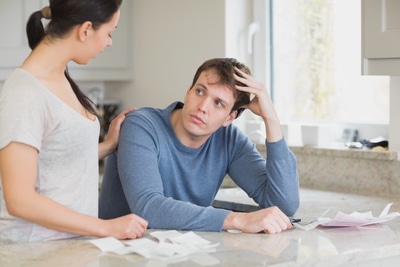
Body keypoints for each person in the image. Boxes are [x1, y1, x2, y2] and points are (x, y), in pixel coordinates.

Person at [0, 0, 147, 243]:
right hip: (34, 252)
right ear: (86, 29)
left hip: (70, 247)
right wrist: (106, 227)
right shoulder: (24, 93)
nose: (109, 42)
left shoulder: (60, 79)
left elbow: (57, 161)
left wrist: (109, 145)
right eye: (109, 33)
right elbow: (20, 200)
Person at [99, 58, 300, 234]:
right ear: (188, 91)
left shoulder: (229, 140)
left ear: (230, 117)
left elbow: (284, 205)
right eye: (200, 91)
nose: (202, 107)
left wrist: (270, 119)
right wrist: (237, 220)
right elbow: (148, 207)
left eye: (218, 103)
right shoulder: (141, 125)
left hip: (184, 251)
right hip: (119, 253)